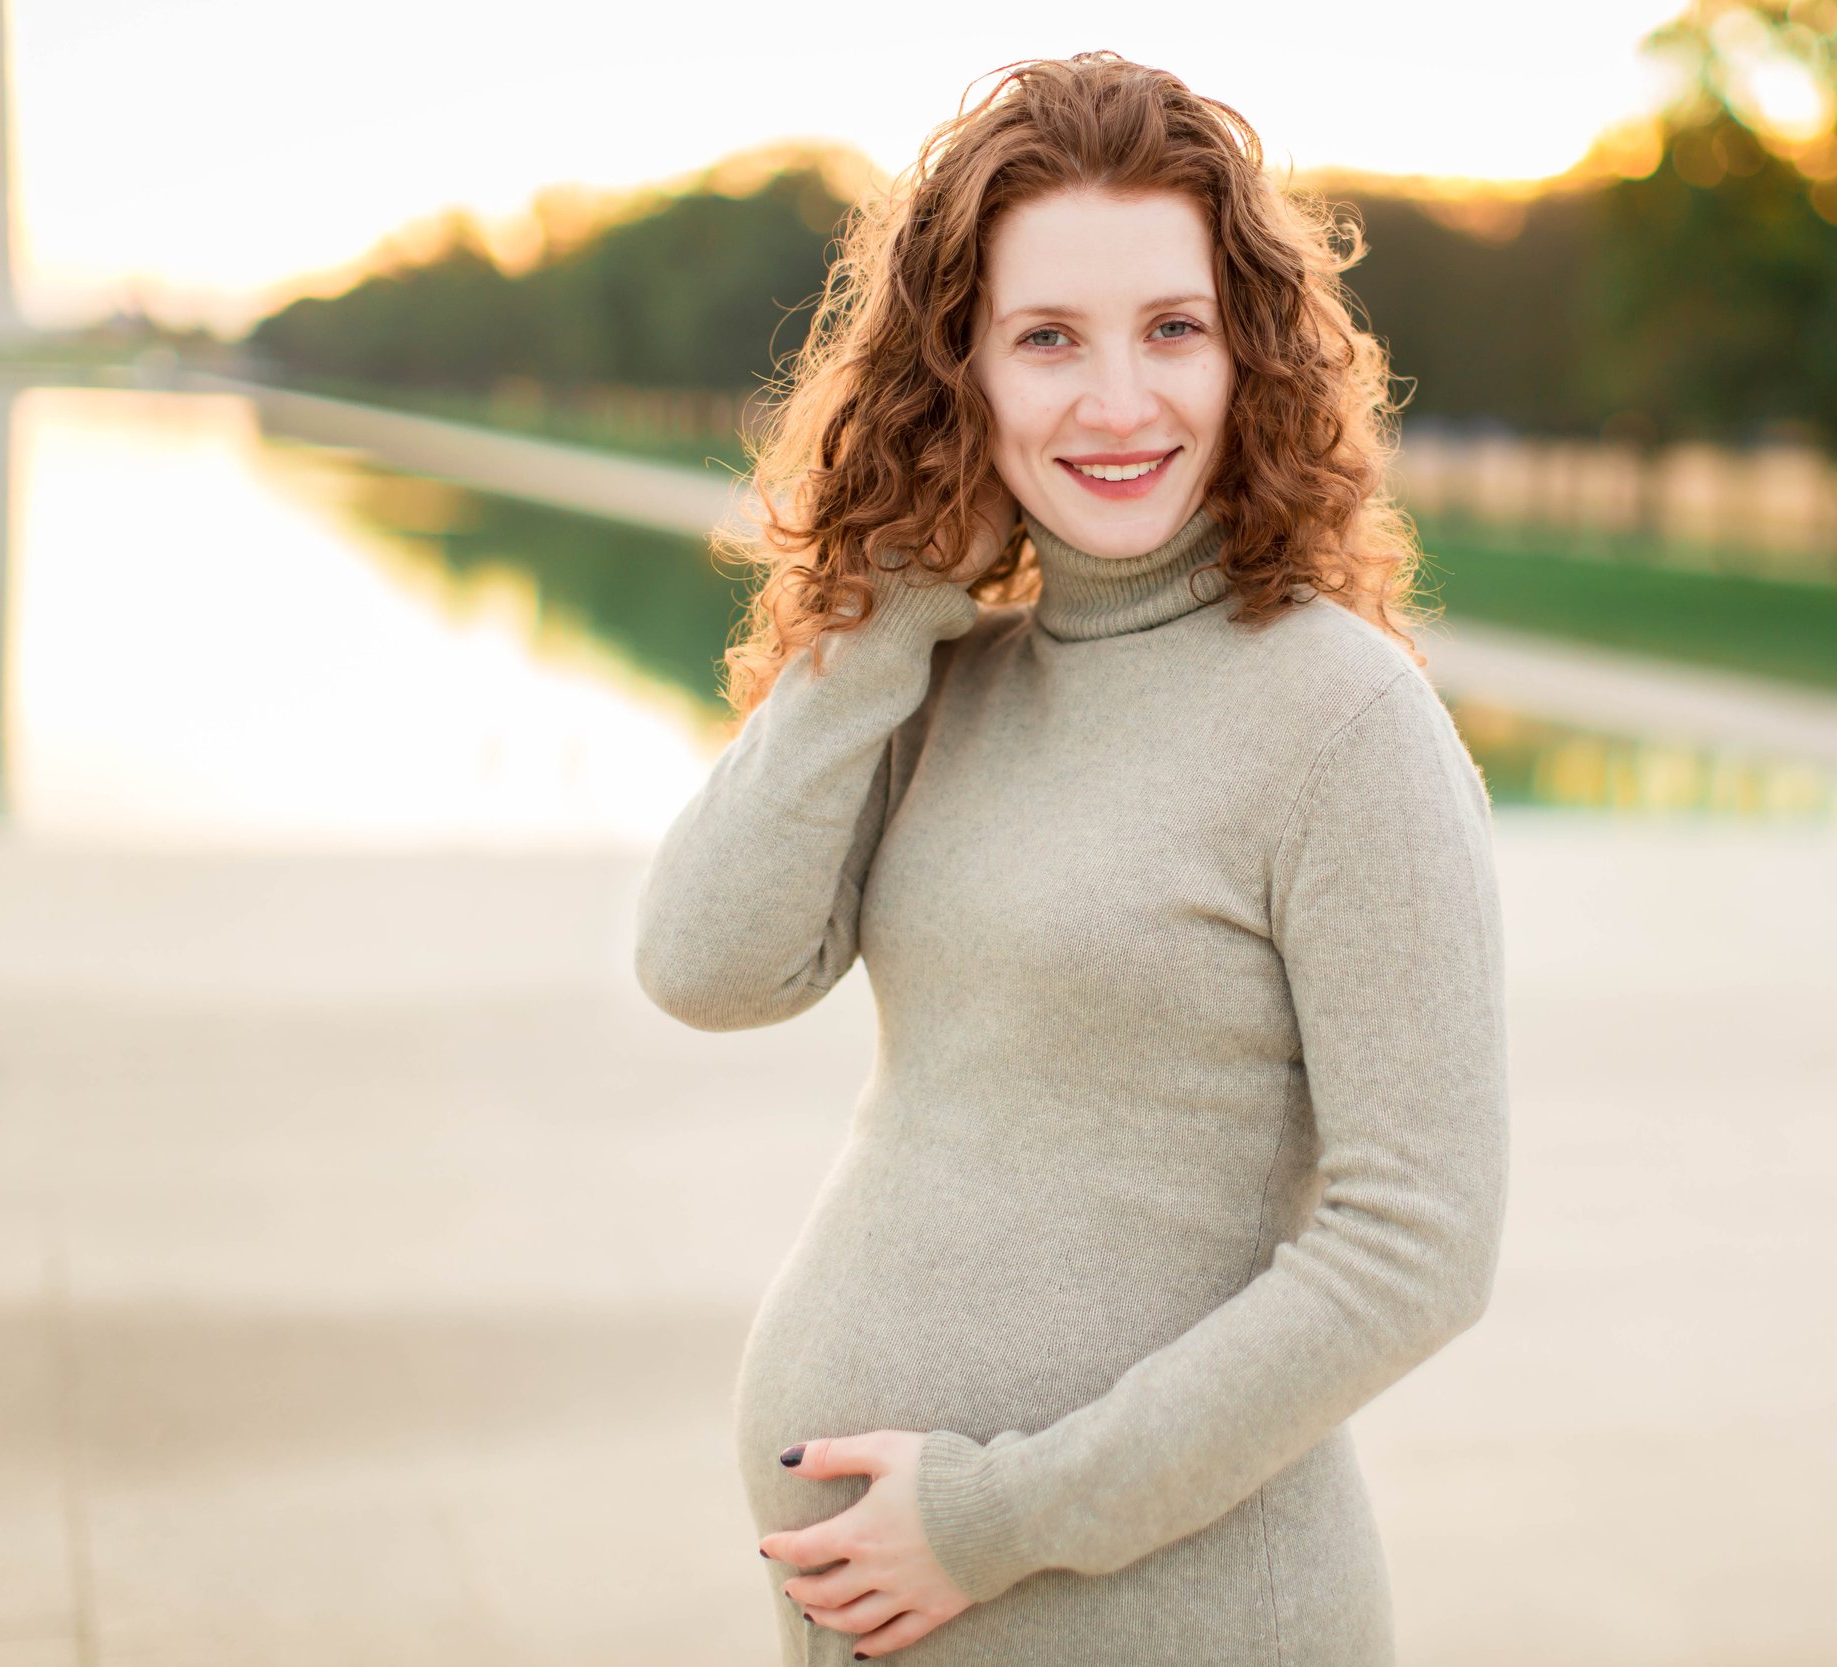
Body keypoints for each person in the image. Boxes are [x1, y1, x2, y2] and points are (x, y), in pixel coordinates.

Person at [632, 51, 1510, 1667]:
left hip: (1156, 1612)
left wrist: (997, 1519)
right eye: (1049, 339)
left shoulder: (1341, 718)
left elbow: (1420, 1243)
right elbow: (705, 965)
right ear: (959, 372)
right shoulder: (949, 676)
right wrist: (884, 607)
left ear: (1248, 356)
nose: (1120, 402)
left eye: (1173, 329)